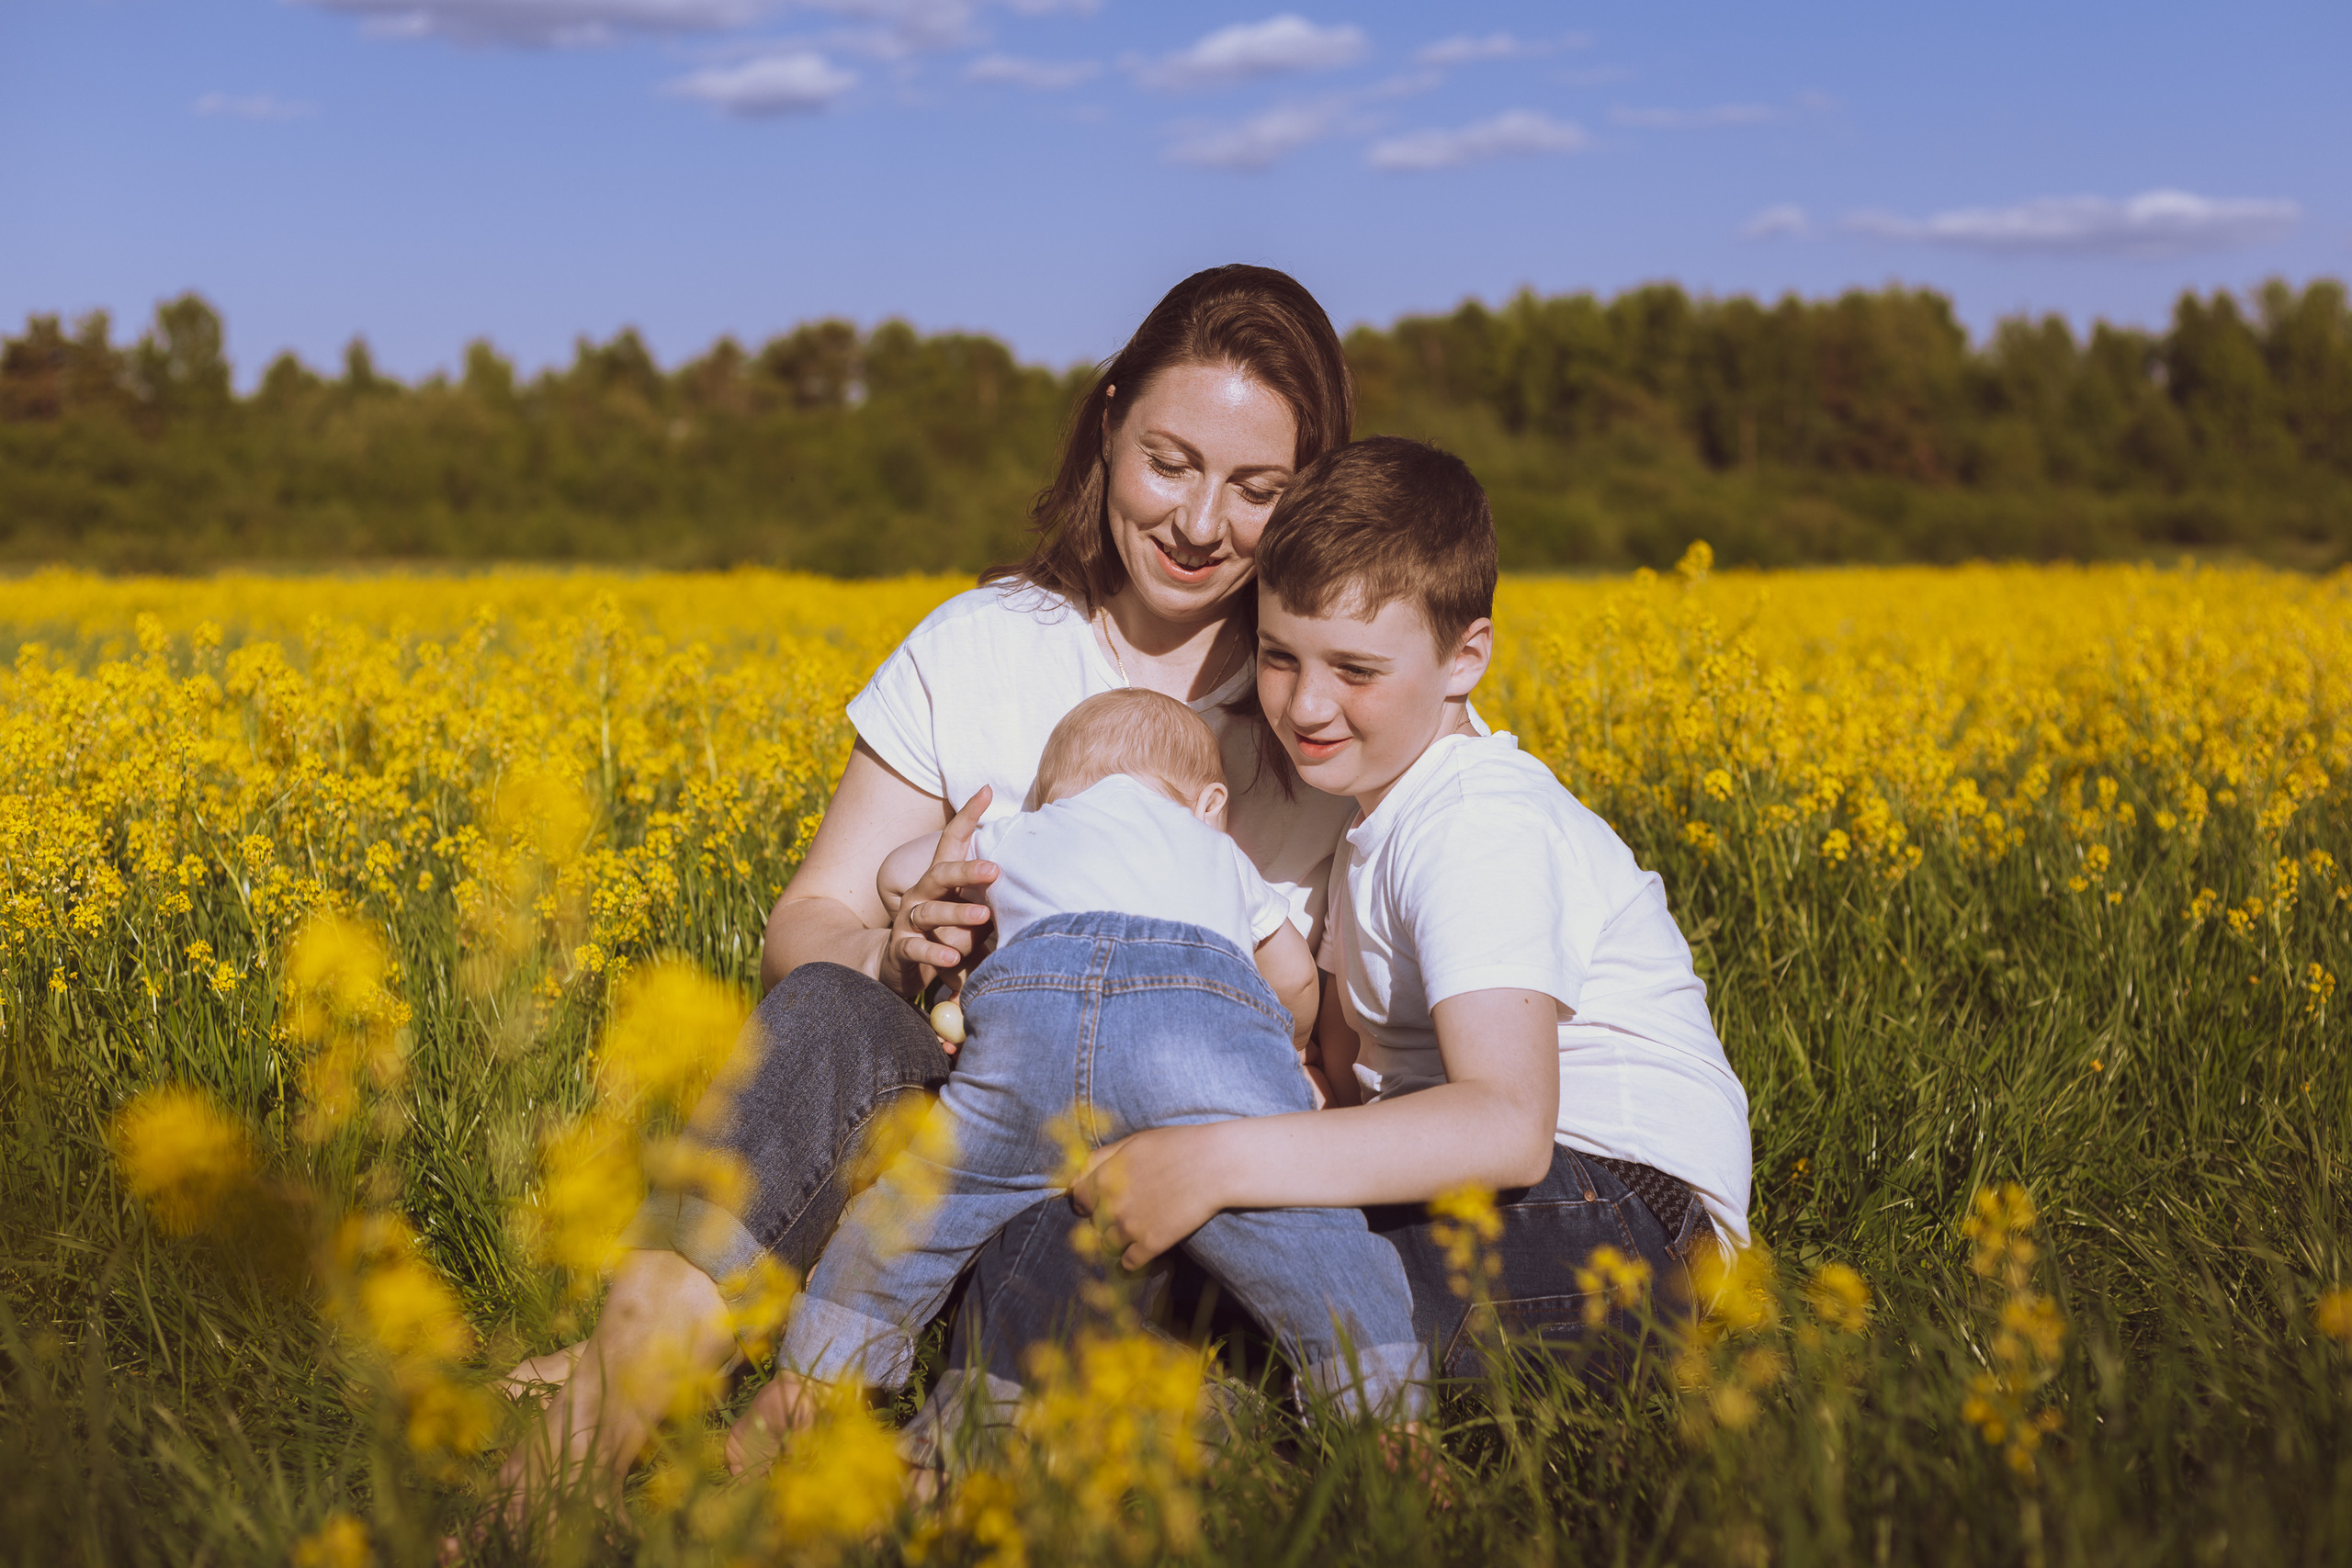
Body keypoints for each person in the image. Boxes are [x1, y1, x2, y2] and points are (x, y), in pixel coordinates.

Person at [489, 263, 1364, 1508]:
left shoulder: (1322, 701)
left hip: (1158, 1193)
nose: (1202, 521)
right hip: (937, 1143)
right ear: (1108, 421)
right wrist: (899, 940)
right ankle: (614, 1390)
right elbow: (807, 928)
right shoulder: (981, 646)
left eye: (1257, 488)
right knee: (834, 1014)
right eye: (1170, 460)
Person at [1066, 435, 1752, 1380]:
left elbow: (1506, 1124)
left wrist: (1218, 1159)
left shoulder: (1475, 821)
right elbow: (1362, 1088)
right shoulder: (1378, 823)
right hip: (1560, 1206)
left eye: (1354, 670)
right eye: (1277, 656)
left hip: (1625, 1218)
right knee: (1179, 1237)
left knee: (1210, 1250)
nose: (1306, 705)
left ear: (1465, 655)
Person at [778, 689, 1425, 1418]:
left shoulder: (1015, 834)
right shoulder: (1221, 851)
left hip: (1033, 1024)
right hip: (1195, 1027)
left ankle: (810, 1380)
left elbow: (897, 872)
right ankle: (1383, 1405)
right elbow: (1293, 974)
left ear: (1053, 794)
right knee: (1300, 1227)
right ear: (1210, 800)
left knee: (922, 1200)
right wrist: (1291, 1048)